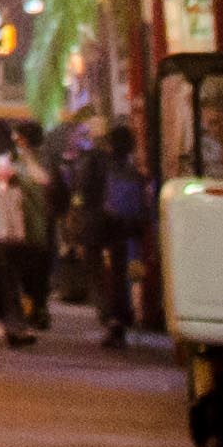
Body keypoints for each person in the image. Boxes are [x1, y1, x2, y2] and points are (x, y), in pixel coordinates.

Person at [86, 124, 156, 346]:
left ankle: (113, 319)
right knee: (125, 273)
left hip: (107, 227)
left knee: (108, 274)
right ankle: (123, 317)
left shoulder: (101, 166)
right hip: (129, 230)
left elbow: (88, 195)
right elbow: (145, 206)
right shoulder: (136, 174)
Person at [0, 116, 57, 343]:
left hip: (21, 230)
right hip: (27, 231)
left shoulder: (27, 163)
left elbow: (45, 184)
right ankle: (18, 324)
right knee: (17, 280)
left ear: (23, 139)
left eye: (18, 136)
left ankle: (22, 321)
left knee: (22, 281)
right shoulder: (36, 161)